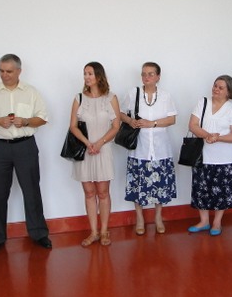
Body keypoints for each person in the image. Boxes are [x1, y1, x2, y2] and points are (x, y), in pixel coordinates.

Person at [0, 54, 52, 254]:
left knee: (32, 191)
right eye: (1, 70)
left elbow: (43, 118)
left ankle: (39, 234)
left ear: (19, 71)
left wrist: (26, 121)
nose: (4, 75)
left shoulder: (31, 92)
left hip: (25, 146)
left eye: (9, 71)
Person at [120, 62, 177, 235]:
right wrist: (131, 121)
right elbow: (120, 113)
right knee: (138, 186)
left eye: (151, 74)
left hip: (161, 149)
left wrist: (152, 123)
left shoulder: (165, 96)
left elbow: (172, 119)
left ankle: (158, 217)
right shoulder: (133, 93)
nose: (146, 77)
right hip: (139, 148)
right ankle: (140, 218)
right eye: (144, 74)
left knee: (160, 186)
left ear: (158, 77)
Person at [69, 62, 121, 247]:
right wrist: (88, 143)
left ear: (99, 76)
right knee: (89, 193)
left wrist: (99, 143)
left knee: (103, 192)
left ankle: (105, 230)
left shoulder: (111, 98)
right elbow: (73, 126)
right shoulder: (79, 98)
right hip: (85, 150)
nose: (86, 77)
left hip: (103, 150)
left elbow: (116, 126)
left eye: (90, 73)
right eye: (85, 73)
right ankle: (93, 232)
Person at [187, 75, 232, 236]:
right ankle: (204, 221)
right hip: (203, 156)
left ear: (228, 91)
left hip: (225, 159)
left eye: (220, 87)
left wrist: (218, 138)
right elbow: (192, 125)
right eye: (215, 85)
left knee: (222, 192)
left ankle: (217, 222)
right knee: (201, 190)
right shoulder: (202, 103)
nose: (216, 89)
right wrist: (208, 135)